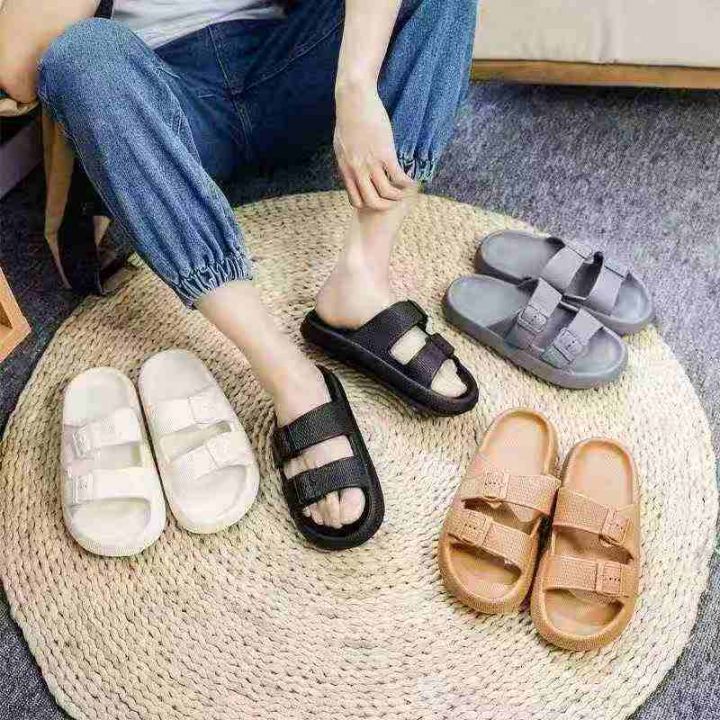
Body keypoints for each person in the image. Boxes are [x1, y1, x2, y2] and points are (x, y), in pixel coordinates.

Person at [0, 0, 478, 536]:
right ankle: (290, 378)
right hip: (167, 102)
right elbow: (17, 66)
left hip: (284, 61)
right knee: (82, 54)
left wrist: (356, 85)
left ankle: (361, 280)